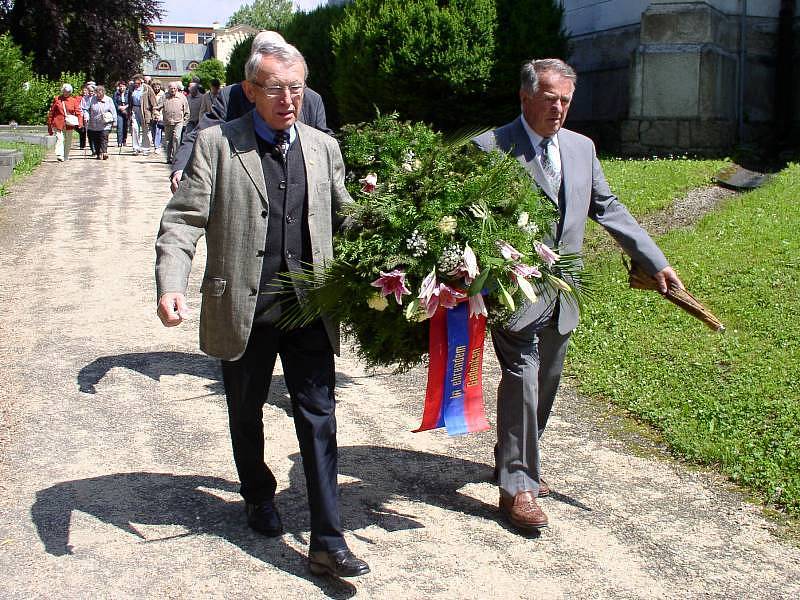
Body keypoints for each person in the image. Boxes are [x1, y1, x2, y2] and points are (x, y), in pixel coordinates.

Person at [155, 42, 370, 578]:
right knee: (246, 411)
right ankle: (256, 492)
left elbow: (347, 218)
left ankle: (327, 539)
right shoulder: (217, 145)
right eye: (275, 88)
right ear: (250, 91)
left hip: (309, 309)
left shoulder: (324, 148)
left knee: (319, 417)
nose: (288, 98)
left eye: (296, 87)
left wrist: (402, 243)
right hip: (243, 308)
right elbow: (182, 221)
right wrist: (171, 282)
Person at [473, 58, 684, 532]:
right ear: (525, 97)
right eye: (550, 97)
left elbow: (608, 207)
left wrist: (654, 260)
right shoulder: (490, 148)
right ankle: (518, 486)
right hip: (513, 291)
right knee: (522, 377)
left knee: (546, 378)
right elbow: (467, 219)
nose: (559, 108)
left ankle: (515, 453)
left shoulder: (581, 149)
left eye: (566, 100)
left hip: (565, 290)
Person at [169, 30, 332, 193]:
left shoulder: (310, 99)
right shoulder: (231, 96)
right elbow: (202, 135)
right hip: (242, 187)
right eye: (273, 88)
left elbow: (323, 143)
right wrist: (181, 168)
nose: (286, 99)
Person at [47, 84, 83, 162]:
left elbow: (78, 112)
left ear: (70, 92)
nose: (66, 93)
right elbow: (51, 112)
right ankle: (59, 154)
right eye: (65, 91)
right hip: (58, 123)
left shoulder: (73, 100)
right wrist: (49, 124)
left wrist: (80, 122)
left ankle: (66, 156)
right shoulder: (57, 99)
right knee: (60, 138)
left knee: (68, 140)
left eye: (68, 92)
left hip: (69, 124)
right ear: (62, 91)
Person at [85, 85, 117, 160]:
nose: (98, 96)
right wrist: (86, 116)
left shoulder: (109, 99)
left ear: (103, 93)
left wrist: (115, 122)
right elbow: (86, 109)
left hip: (105, 123)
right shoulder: (91, 99)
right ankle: (99, 153)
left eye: (100, 95)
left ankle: (104, 152)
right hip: (94, 123)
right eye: (97, 94)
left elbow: (113, 111)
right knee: (96, 139)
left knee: (104, 137)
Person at [128, 74, 157, 156]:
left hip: (145, 110)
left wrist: (154, 111)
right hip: (135, 109)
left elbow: (153, 101)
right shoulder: (131, 88)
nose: (135, 83)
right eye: (135, 81)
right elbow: (129, 100)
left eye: (137, 81)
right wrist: (129, 111)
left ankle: (146, 148)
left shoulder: (147, 88)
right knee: (135, 128)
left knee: (145, 129)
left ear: (141, 81)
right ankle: (136, 148)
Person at [161, 81, 189, 164]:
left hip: (178, 121)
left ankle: (176, 157)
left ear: (177, 89)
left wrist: (185, 121)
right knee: (168, 141)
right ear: (168, 89)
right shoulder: (164, 97)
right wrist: (155, 114)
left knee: (176, 138)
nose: (173, 90)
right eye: (171, 88)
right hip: (168, 122)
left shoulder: (182, 97)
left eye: (174, 88)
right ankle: (169, 157)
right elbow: (157, 107)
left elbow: (187, 110)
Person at [112, 81, 130, 147]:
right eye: (120, 86)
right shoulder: (116, 94)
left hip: (126, 111)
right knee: (119, 127)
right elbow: (114, 102)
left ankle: (124, 140)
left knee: (125, 127)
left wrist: (126, 107)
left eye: (123, 86)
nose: (121, 88)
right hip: (119, 112)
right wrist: (119, 107)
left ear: (125, 87)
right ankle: (119, 141)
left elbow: (131, 101)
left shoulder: (128, 93)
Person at [79, 84, 95, 153]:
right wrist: (84, 116)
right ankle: (93, 149)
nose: (91, 93)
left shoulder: (97, 97)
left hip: (96, 118)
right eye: (89, 91)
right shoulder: (84, 98)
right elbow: (82, 108)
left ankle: (96, 147)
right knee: (89, 133)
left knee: (96, 133)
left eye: (92, 91)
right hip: (87, 117)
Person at [150, 80, 165, 154]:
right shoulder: (150, 93)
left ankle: (157, 146)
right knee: (153, 129)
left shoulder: (163, 94)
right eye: (155, 87)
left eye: (158, 86)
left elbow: (163, 104)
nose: (156, 88)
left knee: (158, 129)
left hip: (160, 113)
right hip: (151, 113)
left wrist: (158, 113)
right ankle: (154, 142)